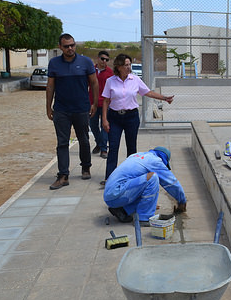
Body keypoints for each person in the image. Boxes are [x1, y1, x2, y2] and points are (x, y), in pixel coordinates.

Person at [102, 53, 174, 185]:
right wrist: (105, 120)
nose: (128, 67)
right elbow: (106, 101)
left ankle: (132, 176)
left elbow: (148, 92)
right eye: (125, 65)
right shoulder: (110, 81)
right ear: (118, 67)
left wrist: (164, 98)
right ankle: (110, 178)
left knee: (131, 148)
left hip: (131, 117)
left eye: (129, 64)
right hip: (114, 118)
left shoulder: (135, 80)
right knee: (113, 147)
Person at [47, 33, 99, 189]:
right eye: (66, 46)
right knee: (62, 142)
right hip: (61, 110)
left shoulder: (86, 62)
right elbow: (50, 86)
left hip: (81, 109)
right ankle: (63, 175)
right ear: (60, 47)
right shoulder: (54, 63)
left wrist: (94, 104)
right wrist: (48, 107)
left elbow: (94, 83)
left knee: (83, 139)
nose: (70, 48)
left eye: (72, 45)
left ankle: (86, 167)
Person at [104, 146, 187, 225]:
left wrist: (151, 203)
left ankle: (122, 210)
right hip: (116, 194)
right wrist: (182, 200)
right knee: (153, 178)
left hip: (111, 195)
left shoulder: (138, 155)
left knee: (145, 181)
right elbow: (171, 183)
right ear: (163, 159)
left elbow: (137, 186)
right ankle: (144, 218)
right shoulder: (155, 161)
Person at [89, 50, 113, 159]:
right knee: (93, 125)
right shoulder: (91, 70)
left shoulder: (110, 72)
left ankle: (103, 149)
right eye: (102, 59)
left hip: (105, 103)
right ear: (98, 59)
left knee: (104, 126)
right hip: (92, 103)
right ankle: (99, 142)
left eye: (107, 60)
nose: (104, 61)